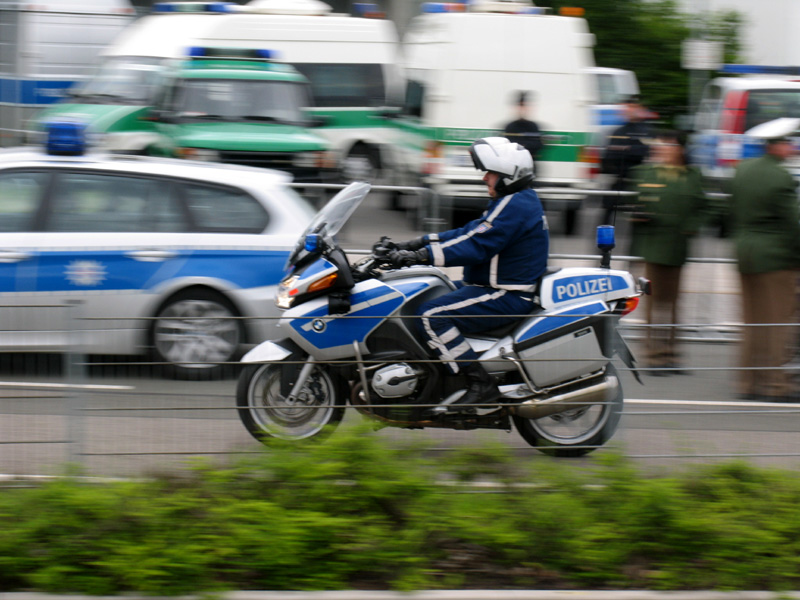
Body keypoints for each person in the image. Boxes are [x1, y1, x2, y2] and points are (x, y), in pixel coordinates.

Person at [380, 137, 549, 415]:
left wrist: (420, 256)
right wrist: (414, 244)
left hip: (505, 293)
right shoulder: (513, 201)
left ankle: (477, 383)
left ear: (509, 175)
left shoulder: (517, 204)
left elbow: (476, 245)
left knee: (431, 315)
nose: (485, 178)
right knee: (425, 287)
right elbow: (468, 231)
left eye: (491, 173)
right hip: (488, 285)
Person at [730, 117, 800, 402]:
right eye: (788, 143)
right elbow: (793, 223)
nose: (791, 148)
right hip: (774, 258)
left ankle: (748, 383)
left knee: (752, 321)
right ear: (778, 146)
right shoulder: (780, 176)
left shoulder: (742, 170)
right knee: (778, 323)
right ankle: (776, 385)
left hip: (745, 253)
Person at [626, 130, 707, 374]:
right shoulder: (645, 173)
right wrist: (638, 214)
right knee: (653, 305)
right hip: (652, 247)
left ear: (680, 149)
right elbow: (633, 204)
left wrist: (692, 226)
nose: (664, 149)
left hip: (677, 247)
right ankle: (653, 357)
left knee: (673, 305)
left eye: (670, 145)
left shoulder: (692, 176)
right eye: (662, 145)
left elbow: (704, 206)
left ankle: (671, 356)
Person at [600, 94, 653, 225]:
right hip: (621, 180)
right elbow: (608, 156)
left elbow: (646, 153)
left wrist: (624, 150)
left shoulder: (648, 131)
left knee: (641, 220)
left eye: (632, 107)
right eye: (626, 107)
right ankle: (604, 242)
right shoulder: (618, 131)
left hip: (642, 183)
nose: (627, 110)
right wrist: (630, 150)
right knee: (607, 212)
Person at [503, 90, 543, 180]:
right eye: (520, 106)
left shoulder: (533, 126)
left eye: (524, 106)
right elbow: (507, 146)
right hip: (513, 169)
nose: (522, 109)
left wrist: (520, 146)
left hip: (530, 168)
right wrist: (525, 146)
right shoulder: (510, 127)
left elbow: (538, 145)